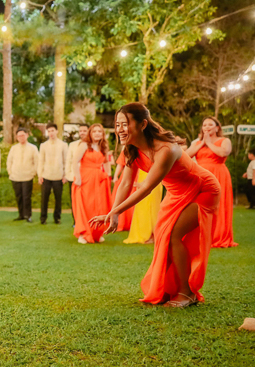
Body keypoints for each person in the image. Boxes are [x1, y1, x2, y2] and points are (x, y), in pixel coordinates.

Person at [91, 103, 221, 308]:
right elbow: (125, 183)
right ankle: (170, 288)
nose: (120, 129)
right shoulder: (130, 149)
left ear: (143, 124)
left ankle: (187, 294)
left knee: (173, 234)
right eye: (117, 124)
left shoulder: (166, 149)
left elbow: (146, 188)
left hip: (202, 189)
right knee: (163, 236)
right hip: (175, 193)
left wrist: (115, 211)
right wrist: (113, 212)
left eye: (125, 124)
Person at [187, 117, 237, 247]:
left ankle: (217, 235)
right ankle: (200, 235)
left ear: (217, 127)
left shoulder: (224, 141)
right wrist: (202, 143)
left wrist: (209, 143)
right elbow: (186, 156)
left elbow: (223, 153)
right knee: (199, 204)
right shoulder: (198, 143)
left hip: (218, 174)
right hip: (200, 176)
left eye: (210, 124)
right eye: (204, 125)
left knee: (218, 205)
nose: (207, 127)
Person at [71, 123, 113, 244]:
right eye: (94, 131)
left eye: (99, 131)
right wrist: (78, 178)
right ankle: (83, 233)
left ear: (102, 134)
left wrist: (108, 176)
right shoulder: (84, 145)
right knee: (86, 206)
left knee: (99, 206)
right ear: (90, 133)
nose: (97, 134)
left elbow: (106, 162)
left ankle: (96, 233)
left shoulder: (103, 146)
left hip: (99, 180)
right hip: (86, 179)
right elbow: (75, 161)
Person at [7, 128, 39, 223]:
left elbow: (37, 162)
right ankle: (21, 214)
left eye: (23, 135)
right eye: (19, 136)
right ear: (16, 137)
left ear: (27, 135)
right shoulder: (14, 148)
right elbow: (9, 161)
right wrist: (10, 172)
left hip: (27, 176)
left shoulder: (33, 148)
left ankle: (27, 215)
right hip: (15, 176)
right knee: (19, 196)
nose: (21, 137)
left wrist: (33, 173)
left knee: (26, 197)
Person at [38, 123, 68, 225]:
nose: (51, 133)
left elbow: (66, 161)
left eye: (52, 131)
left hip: (58, 176)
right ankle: (43, 218)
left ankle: (57, 218)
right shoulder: (43, 145)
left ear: (57, 131)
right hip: (46, 175)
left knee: (58, 199)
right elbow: (41, 161)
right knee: (44, 198)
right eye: (49, 131)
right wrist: (40, 175)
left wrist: (65, 175)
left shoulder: (63, 145)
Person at [65, 124, 89, 226]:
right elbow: (69, 160)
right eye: (80, 131)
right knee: (74, 200)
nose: (82, 133)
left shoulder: (92, 145)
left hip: (87, 176)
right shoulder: (72, 145)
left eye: (84, 131)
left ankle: (87, 220)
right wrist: (68, 174)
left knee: (86, 200)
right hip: (74, 177)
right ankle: (76, 221)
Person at [111, 150, 134, 232]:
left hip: (139, 175)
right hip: (127, 174)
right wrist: (116, 176)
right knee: (124, 197)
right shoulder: (127, 150)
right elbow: (120, 164)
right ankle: (122, 222)